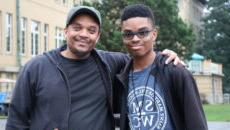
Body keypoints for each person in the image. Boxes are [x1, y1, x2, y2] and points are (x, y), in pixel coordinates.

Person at [6, 5, 181, 130]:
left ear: (97, 37)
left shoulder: (110, 63)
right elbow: (16, 122)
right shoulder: (36, 68)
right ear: (66, 31)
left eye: (91, 30)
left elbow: (142, 57)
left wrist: (164, 55)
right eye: (77, 28)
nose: (84, 34)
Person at [115, 4, 208, 130]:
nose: (135, 39)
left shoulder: (176, 72)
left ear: (154, 34)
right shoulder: (121, 77)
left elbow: (196, 124)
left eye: (142, 32)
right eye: (128, 34)